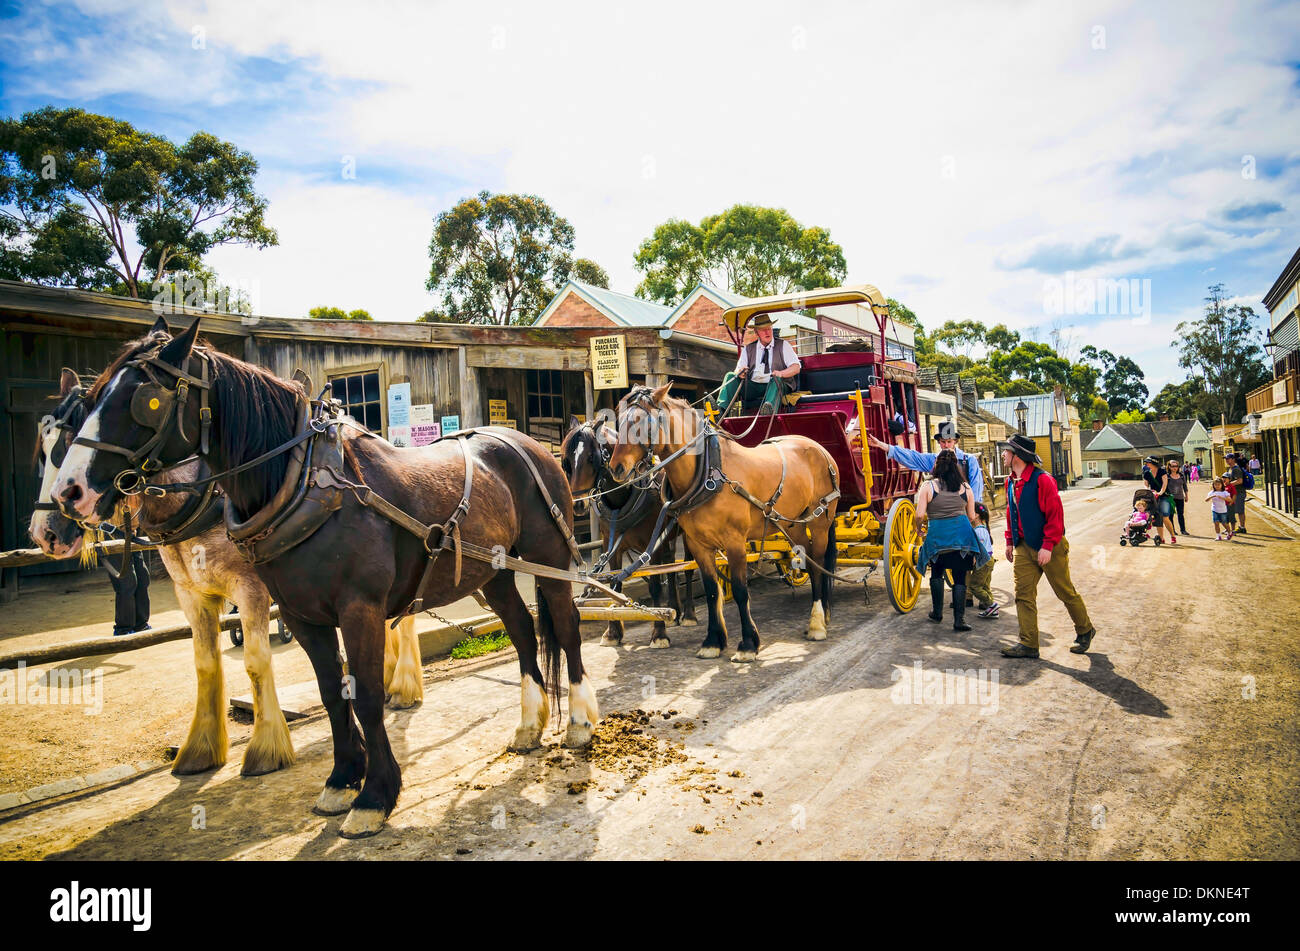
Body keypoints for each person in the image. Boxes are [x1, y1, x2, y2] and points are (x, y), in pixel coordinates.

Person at [998, 432, 1096, 659]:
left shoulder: (1043, 480)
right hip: (1024, 546)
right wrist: (1010, 541)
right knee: (1023, 595)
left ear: (1017, 456)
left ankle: (1085, 629)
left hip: (1049, 546)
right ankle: (1029, 643)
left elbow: (1055, 517)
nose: (1003, 454)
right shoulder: (1010, 481)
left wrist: (1048, 546)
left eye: (1006, 450)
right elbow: (1011, 513)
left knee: (1064, 591)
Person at [914, 450, 989, 632]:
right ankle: (959, 620)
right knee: (959, 577)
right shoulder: (966, 488)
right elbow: (972, 516)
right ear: (956, 466)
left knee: (937, 573)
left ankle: (937, 613)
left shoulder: (928, 486)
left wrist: (919, 528)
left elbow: (919, 514)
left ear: (937, 465)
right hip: (962, 538)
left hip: (937, 537)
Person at [867, 420, 988, 508]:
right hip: (945, 511)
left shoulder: (969, 460)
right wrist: (882, 445)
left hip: (967, 509)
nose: (946, 445)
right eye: (943, 442)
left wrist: (974, 510)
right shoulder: (935, 460)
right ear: (939, 442)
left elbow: (976, 488)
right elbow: (912, 456)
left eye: (949, 442)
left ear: (955, 441)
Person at [734, 314, 801, 414]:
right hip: (754, 386)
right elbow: (737, 370)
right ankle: (719, 412)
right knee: (730, 376)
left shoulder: (783, 345)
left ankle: (768, 411)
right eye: (762, 330)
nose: (767, 332)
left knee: (775, 379)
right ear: (756, 333)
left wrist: (781, 373)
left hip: (776, 385)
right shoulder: (748, 349)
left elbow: (796, 367)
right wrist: (740, 372)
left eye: (769, 328)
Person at [968, 502, 998, 618]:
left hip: (983, 562)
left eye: (969, 511)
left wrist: (974, 559)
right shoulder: (983, 529)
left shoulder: (978, 531)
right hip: (989, 561)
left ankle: (992, 604)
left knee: (974, 587)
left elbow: (979, 548)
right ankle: (992, 611)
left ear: (976, 515)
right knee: (985, 586)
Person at [1141, 456, 1176, 545]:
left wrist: (1160, 492)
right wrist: (1150, 491)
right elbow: (1145, 485)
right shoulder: (1146, 473)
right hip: (1153, 497)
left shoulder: (1162, 471)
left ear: (1153, 463)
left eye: (1148, 462)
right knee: (1157, 518)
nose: (1146, 464)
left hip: (1164, 496)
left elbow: (1165, 483)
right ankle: (1161, 538)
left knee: (1165, 517)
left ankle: (1172, 535)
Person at [1225, 451, 1248, 533]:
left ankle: (1242, 527)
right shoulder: (1230, 469)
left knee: (1240, 511)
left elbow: (1240, 481)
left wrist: (1228, 484)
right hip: (1234, 493)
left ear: (1233, 459)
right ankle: (1230, 528)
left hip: (1239, 492)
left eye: (1228, 459)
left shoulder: (1236, 469)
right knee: (1231, 510)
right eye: (1226, 459)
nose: (1226, 460)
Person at [1165, 459, 1188, 535]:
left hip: (1180, 498)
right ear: (1169, 467)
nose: (1175, 468)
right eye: (1172, 466)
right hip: (1170, 498)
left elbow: (1185, 486)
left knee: (1180, 514)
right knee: (1171, 515)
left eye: (1176, 466)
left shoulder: (1181, 475)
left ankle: (1183, 530)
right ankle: (1173, 530)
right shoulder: (1167, 476)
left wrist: (1186, 495)